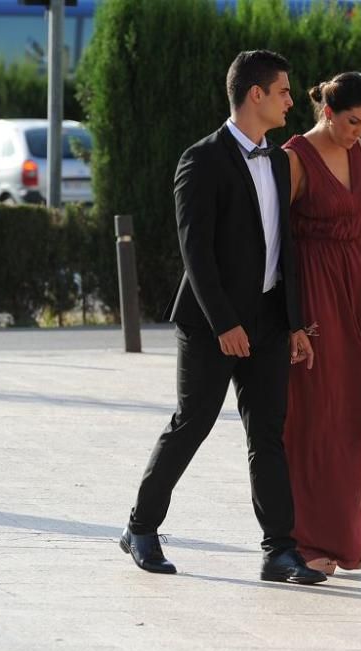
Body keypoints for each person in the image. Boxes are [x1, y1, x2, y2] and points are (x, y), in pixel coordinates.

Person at [120, 50, 326, 585]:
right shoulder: (200, 160)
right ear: (255, 94)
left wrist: (296, 322)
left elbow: (288, 250)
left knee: (269, 436)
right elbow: (196, 253)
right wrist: (223, 323)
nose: (289, 99)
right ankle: (140, 528)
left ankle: (279, 551)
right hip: (214, 322)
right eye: (282, 90)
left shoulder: (280, 160)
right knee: (194, 423)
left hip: (270, 320)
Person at [282, 72, 361, 575]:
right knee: (318, 416)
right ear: (328, 109)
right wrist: (289, 314)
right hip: (315, 289)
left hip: (358, 291)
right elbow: (275, 237)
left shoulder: (358, 153)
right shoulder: (294, 157)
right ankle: (309, 541)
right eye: (353, 121)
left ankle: (346, 531)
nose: (358, 133)